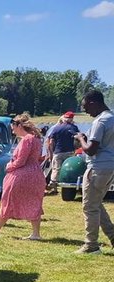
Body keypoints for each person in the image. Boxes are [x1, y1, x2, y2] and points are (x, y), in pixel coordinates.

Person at [0, 113, 45, 240]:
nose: (12, 130)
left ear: (19, 125)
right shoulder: (37, 139)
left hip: (22, 176)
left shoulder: (26, 140)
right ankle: (36, 233)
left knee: (7, 201)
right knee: (35, 202)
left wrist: (9, 166)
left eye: (13, 127)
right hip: (36, 174)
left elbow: (21, 161)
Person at [73, 90, 114, 255]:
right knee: (96, 203)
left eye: (85, 107)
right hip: (110, 167)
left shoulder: (100, 121)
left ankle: (91, 245)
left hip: (97, 167)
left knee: (89, 206)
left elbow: (90, 150)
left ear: (93, 102)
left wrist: (81, 138)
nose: (85, 112)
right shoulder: (112, 118)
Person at [45, 111, 80, 194]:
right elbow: (78, 140)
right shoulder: (74, 128)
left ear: (64, 118)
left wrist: (51, 153)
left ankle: (53, 187)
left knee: (56, 169)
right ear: (71, 119)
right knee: (68, 169)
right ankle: (68, 186)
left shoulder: (57, 128)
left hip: (58, 151)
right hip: (70, 151)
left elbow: (51, 141)